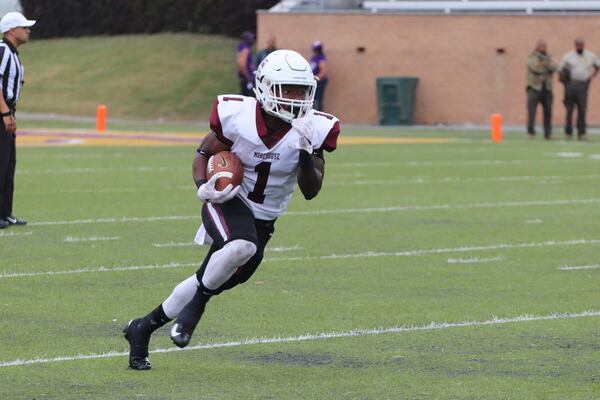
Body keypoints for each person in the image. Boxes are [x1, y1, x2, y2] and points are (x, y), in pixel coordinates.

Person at [124, 49, 341, 370]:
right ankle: (192, 314)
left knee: (217, 276)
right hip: (227, 200)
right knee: (240, 246)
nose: (295, 99)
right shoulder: (236, 115)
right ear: (266, 87)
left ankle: (141, 328)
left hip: (264, 218)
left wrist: (306, 153)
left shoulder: (315, 128)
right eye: (287, 90)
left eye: (301, 90)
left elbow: (311, 191)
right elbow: (203, 152)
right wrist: (203, 186)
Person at [0, 12, 35, 230]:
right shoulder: (3, 50)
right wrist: (4, 113)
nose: (28, 30)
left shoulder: (13, 53)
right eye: (24, 27)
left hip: (7, 113)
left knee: (9, 165)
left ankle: (5, 212)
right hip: (1, 114)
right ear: (12, 30)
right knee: (0, 163)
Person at [558, 37, 600, 140]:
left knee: (582, 109)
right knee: (569, 110)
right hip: (571, 84)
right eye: (577, 44)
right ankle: (568, 133)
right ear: (575, 45)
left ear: (583, 45)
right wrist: (565, 80)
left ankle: (582, 133)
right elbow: (560, 69)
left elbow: (597, 66)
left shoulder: (590, 56)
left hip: (583, 85)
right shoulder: (568, 56)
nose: (579, 46)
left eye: (581, 44)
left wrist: (592, 76)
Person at [526, 39, 556, 140]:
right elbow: (535, 68)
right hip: (534, 88)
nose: (543, 48)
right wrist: (546, 67)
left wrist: (546, 65)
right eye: (541, 46)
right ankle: (531, 132)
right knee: (532, 111)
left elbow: (555, 67)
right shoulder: (531, 57)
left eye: (545, 46)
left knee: (548, 112)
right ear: (537, 47)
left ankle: (548, 133)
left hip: (546, 88)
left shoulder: (549, 57)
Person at [310, 41, 328, 111]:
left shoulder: (321, 58)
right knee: (313, 100)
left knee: (318, 100)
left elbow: (323, 72)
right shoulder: (314, 57)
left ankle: (319, 115)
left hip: (319, 82)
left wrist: (316, 79)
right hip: (313, 81)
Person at [237, 31, 255, 97]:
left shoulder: (242, 47)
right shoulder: (245, 49)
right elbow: (242, 65)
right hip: (247, 79)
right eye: (251, 38)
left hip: (244, 79)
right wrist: (248, 78)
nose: (253, 40)